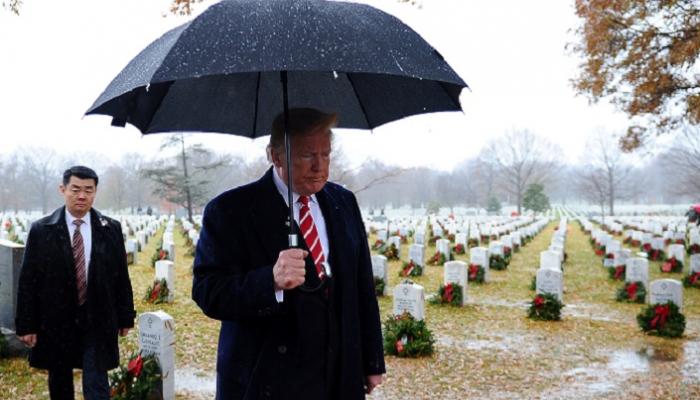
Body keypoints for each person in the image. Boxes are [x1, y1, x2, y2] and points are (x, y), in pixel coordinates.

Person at [192, 108, 385, 400]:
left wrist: (371, 360)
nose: (319, 166)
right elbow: (208, 292)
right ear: (276, 156)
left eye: (326, 154)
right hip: (267, 378)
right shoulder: (230, 211)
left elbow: (362, 288)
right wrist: (269, 281)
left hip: (337, 374)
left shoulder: (343, 203)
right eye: (308, 155)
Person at [15, 166, 136, 400]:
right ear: (63, 189)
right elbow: (28, 279)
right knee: (60, 382)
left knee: (97, 381)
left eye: (88, 190)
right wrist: (26, 324)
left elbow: (120, 276)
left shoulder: (110, 228)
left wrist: (125, 317)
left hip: (97, 317)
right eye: (76, 189)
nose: (82, 196)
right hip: (56, 318)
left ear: (95, 192)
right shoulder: (42, 230)